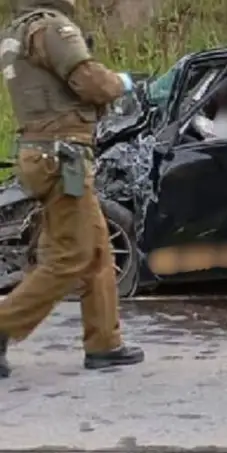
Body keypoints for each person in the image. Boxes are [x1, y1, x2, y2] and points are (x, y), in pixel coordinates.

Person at [0, 0, 144, 377]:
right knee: (72, 255)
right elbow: (89, 81)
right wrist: (121, 83)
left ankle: (104, 344)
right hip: (61, 156)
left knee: (96, 249)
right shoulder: (51, 27)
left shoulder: (18, 29)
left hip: (47, 152)